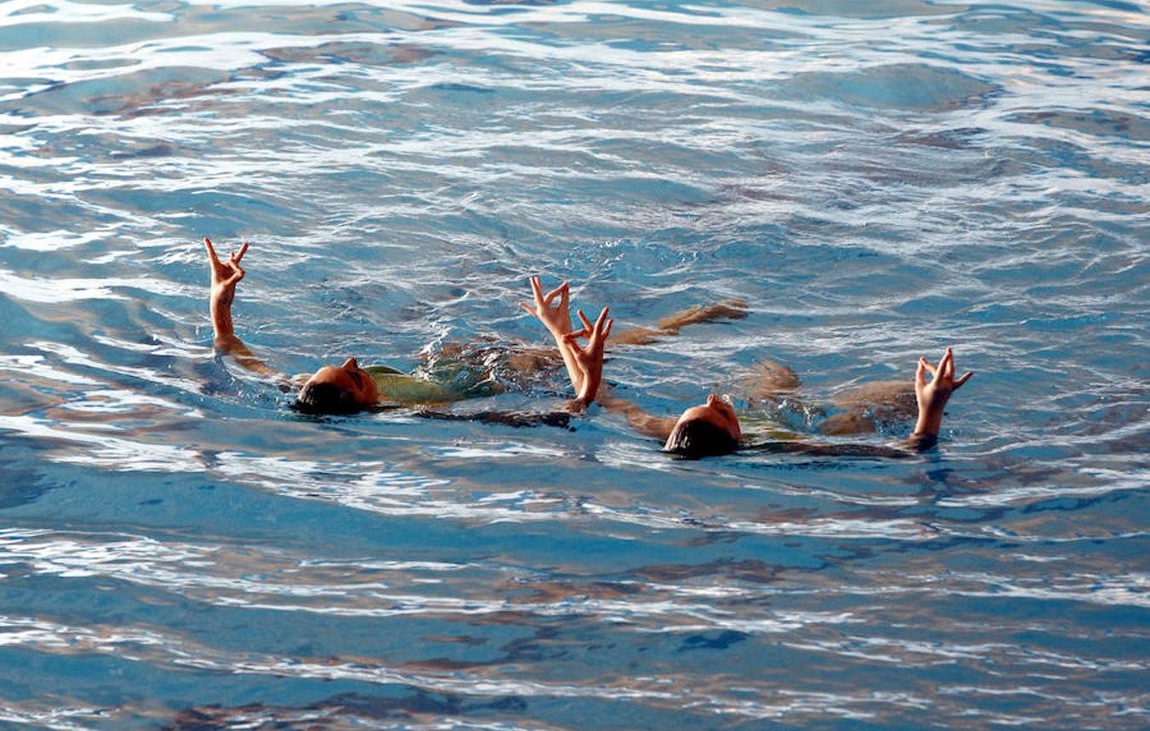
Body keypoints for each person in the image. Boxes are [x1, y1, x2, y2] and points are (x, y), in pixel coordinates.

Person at [206, 239, 740, 419]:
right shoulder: (418, 414)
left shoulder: (304, 390)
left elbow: (233, 351)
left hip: (457, 356)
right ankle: (688, 319)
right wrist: (587, 374)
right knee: (614, 342)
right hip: (501, 376)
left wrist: (220, 302)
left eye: (345, 365)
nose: (352, 362)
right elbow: (569, 411)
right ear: (368, 404)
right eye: (356, 377)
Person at [520, 280, 974, 458]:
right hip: (811, 426)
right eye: (719, 412)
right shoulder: (781, 448)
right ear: (738, 438)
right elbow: (906, 450)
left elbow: (598, 398)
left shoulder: (660, 429)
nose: (716, 400)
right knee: (895, 392)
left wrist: (560, 334)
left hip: (765, 408)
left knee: (778, 373)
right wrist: (929, 407)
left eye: (699, 407)